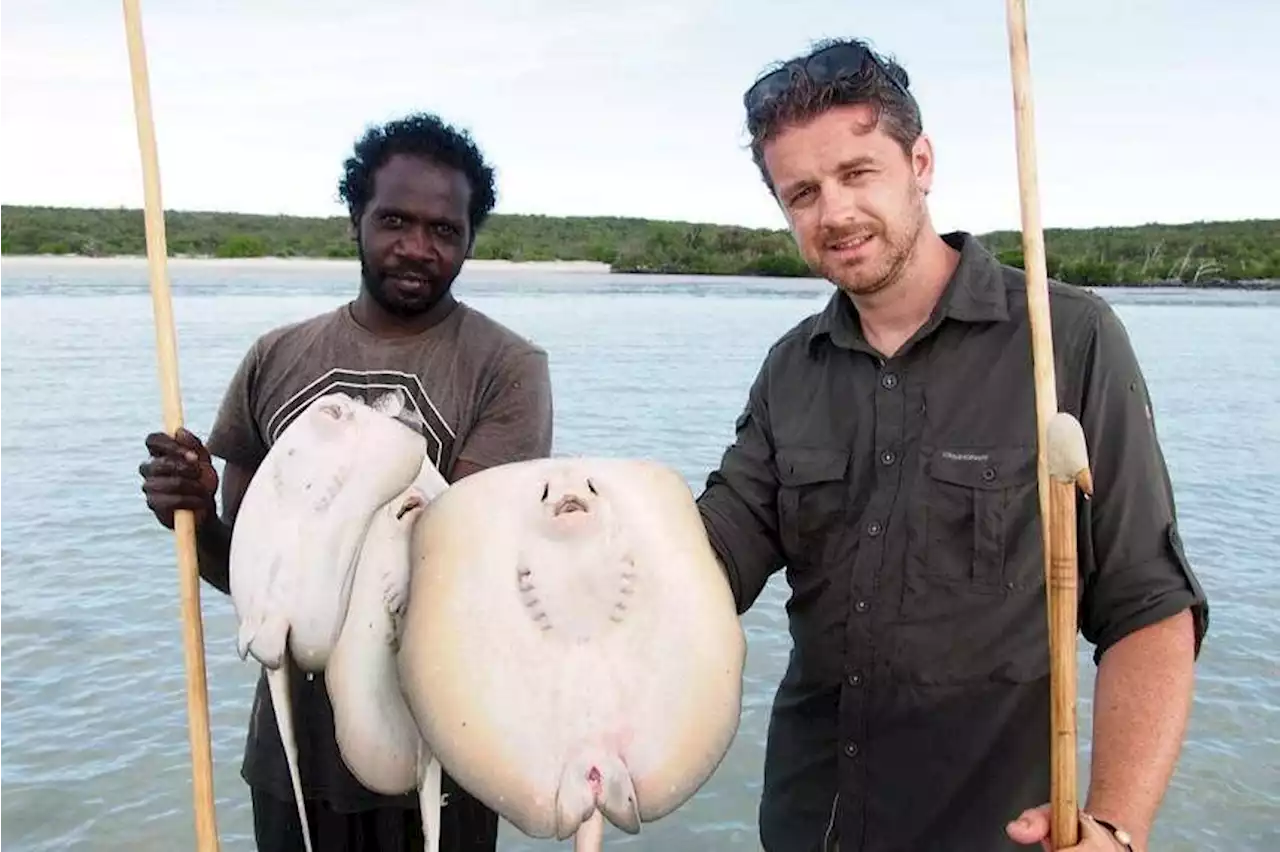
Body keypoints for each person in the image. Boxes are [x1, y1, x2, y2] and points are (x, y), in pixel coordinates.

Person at [695, 38, 1209, 852]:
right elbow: (711, 562)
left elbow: (1148, 607)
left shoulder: (1064, 338)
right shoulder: (792, 367)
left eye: (858, 173)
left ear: (920, 161)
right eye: (801, 192)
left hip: (997, 832)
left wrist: (1116, 824)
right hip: (808, 823)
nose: (833, 213)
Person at [138, 112, 554, 851]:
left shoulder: (507, 369)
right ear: (354, 218)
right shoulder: (276, 357)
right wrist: (196, 513)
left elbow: (464, 571)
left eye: (444, 231)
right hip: (294, 756)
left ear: (468, 240)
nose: (417, 249)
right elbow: (247, 579)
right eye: (394, 220)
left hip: (443, 751)